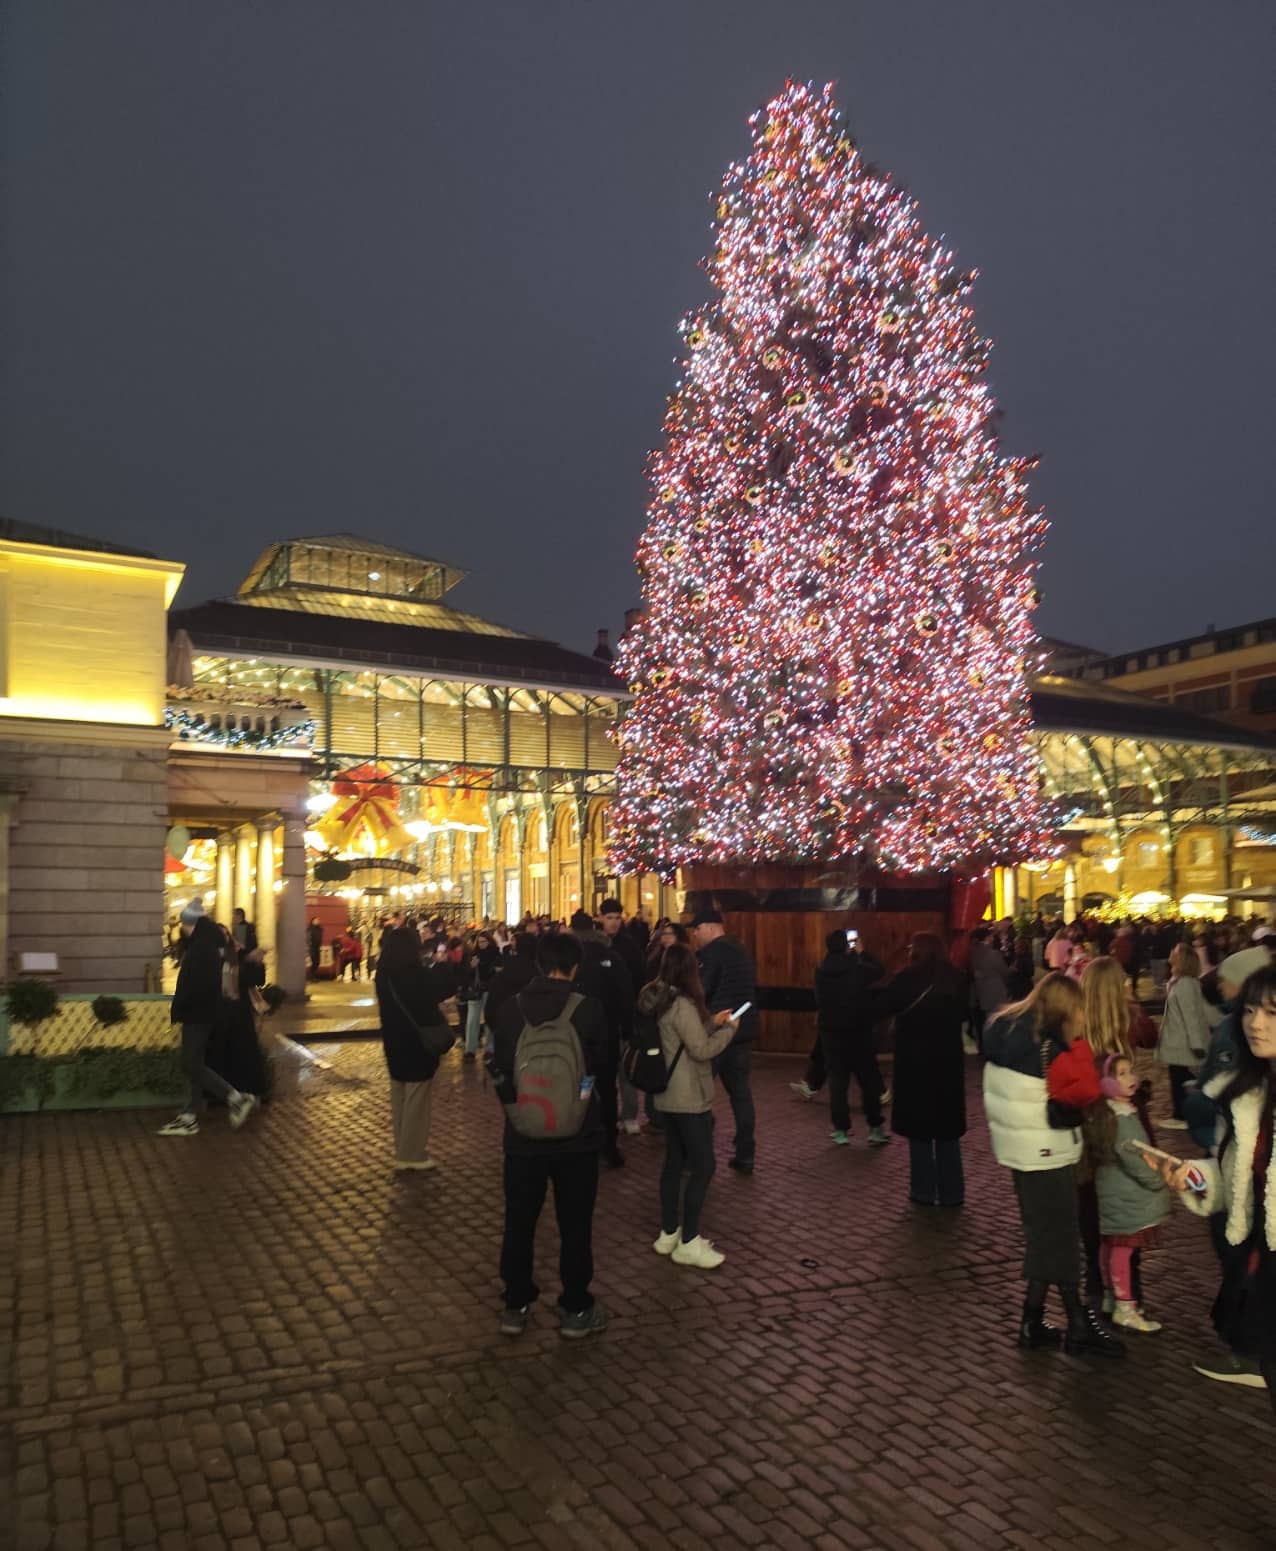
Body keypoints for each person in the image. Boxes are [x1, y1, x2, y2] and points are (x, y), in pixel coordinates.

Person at [1154, 963, 1276, 1408]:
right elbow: (1233, 1178)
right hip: (1261, 1259)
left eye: (1271, 1013)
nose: (1255, 1024)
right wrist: (1194, 1177)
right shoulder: (1244, 1092)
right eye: (1248, 1011)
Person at [982, 973, 1123, 1357]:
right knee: (1058, 1239)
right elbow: (1087, 1089)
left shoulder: (1006, 1031)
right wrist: (1077, 1043)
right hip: (1047, 1150)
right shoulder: (1049, 1048)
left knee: (1047, 1236)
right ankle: (1077, 1321)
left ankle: (1033, 1318)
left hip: (1022, 1151)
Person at [489, 932, 609, 1340]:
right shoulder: (588, 1009)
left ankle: (515, 1304)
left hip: (523, 1136)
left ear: (540, 964)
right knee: (575, 1223)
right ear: (575, 967)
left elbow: (500, 1068)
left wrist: (514, 1109)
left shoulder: (510, 1009)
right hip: (579, 1137)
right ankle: (576, 1306)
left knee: (520, 1221)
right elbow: (601, 1068)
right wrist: (580, 1099)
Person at [640, 943, 740, 1268]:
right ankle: (690, 1240)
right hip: (688, 1097)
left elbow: (682, 1038)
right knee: (704, 1165)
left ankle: (669, 1232)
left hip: (667, 1094)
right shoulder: (682, 1004)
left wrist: (712, 1021)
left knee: (673, 1162)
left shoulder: (661, 999)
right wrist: (728, 1032)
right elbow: (700, 1049)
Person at [1077, 955, 1157, 1310]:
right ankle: (1128, 1288)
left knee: (1093, 1207)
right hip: (1126, 1118)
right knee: (1129, 1208)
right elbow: (1152, 1036)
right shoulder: (1129, 1018)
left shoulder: (1077, 1025)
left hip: (1091, 1122)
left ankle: (1099, 1285)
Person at [875, 934, 967, 1200]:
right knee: (948, 1130)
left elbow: (881, 1007)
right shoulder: (957, 978)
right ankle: (952, 1191)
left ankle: (923, 1189)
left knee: (920, 1130)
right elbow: (964, 1013)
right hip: (947, 1061)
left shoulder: (905, 979)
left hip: (914, 1062)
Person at [1086, 1054, 1171, 1333]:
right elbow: (1133, 1155)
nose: (1131, 1078)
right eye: (1121, 1074)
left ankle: (1112, 1297)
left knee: (1110, 1246)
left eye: (1130, 1071)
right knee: (1122, 1248)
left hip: (1114, 1194)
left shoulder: (1110, 1113)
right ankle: (1126, 1305)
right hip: (1126, 1196)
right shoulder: (1121, 1118)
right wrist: (1157, 1179)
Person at [158, 899, 257, 1137]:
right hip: (204, 1012)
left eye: (183, 923)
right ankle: (189, 1115)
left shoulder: (200, 948)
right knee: (195, 1063)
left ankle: (234, 1097)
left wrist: (181, 1007)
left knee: (190, 1063)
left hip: (197, 1013)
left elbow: (196, 984)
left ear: (188, 923)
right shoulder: (209, 943)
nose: (181, 927)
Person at [691, 908, 759, 1174]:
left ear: (708, 927)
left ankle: (698, 1155)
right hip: (744, 1029)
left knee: (699, 1093)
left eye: (696, 930)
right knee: (741, 1094)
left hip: (718, 1030)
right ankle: (746, 1154)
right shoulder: (741, 950)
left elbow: (702, 991)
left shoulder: (711, 954)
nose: (695, 936)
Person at [375, 926, 447, 1171]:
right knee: (417, 1100)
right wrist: (441, 964)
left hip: (393, 1041)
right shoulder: (415, 973)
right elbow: (440, 990)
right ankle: (412, 1155)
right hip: (417, 1043)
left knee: (400, 1097)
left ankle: (402, 1148)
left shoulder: (383, 974)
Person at [568, 908, 632, 1167]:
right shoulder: (612, 959)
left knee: (583, 1086)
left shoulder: (573, 962)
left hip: (578, 1037)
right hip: (605, 1037)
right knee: (606, 1089)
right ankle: (609, 1143)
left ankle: (582, 1136)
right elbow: (625, 997)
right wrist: (626, 1030)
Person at [813, 930, 886, 1147]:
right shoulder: (858, 968)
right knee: (868, 1080)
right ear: (847, 945)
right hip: (859, 1032)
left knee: (838, 1082)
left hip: (831, 1033)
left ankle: (841, 1130)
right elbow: (880, 972)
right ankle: (874, 1127)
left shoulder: (820, 970)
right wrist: (862, 953)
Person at [1157, 943, 1222, 1129]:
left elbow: (1191, 1015)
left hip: (1181, 1041)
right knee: (1181, 1075)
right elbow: (1205, 1011)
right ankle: (1185, 1113)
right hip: (1180, 1040)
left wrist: (1197, 1043)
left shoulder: (1184, 984)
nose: (1171, 953)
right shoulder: (1183, 982)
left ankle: (1182, 1115)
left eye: (1175, 952)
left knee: (1180, 1077)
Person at [461, 929, 501, 1062]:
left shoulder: (495, 954)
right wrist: (472, 967)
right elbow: (467, 974)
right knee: (472, 1020)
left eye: (484, 942)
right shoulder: (474, 954)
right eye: (479, 942)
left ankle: (490, 1049)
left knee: (489, 1019)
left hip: (490, 989)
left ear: (490, 942)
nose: (482, 944)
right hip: (476, 990)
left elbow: (498, 971)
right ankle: (469, 1050)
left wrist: (485, 966)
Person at [968, 925, 1011, 1041]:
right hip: (994, 992)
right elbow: (1004, 972)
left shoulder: (971, 952)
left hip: (977, 992)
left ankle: (983, 1047)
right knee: (996, 1022)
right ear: (986, 937)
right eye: (991, 936)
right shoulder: (993, 954)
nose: (993, 938)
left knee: (982, 1023)